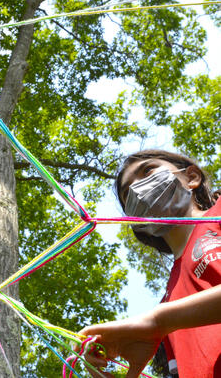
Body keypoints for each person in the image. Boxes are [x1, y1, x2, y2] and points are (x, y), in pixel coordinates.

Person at [78, 150, 221, 378]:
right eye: (128, 194)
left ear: (192, 177)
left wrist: (158, 322)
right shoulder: (168, 298)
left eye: (148, 171)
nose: (137, 190)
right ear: (137, 223)